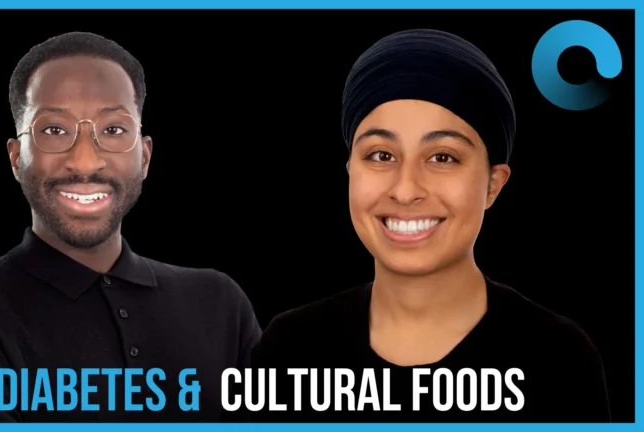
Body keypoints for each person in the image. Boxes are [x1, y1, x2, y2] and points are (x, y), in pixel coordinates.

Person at [250, 29, 611, 422]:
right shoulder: (289, 351)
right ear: (351, 171)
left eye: (442, 157)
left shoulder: (557, 360)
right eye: (381, 154)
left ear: (493, 184)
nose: (406, 190)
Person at [0, 32, 261, 422]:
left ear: (144, 157)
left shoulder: (220, 303)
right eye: (54, 130)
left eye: (112, 130)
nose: (85, 162)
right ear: (15, 158)